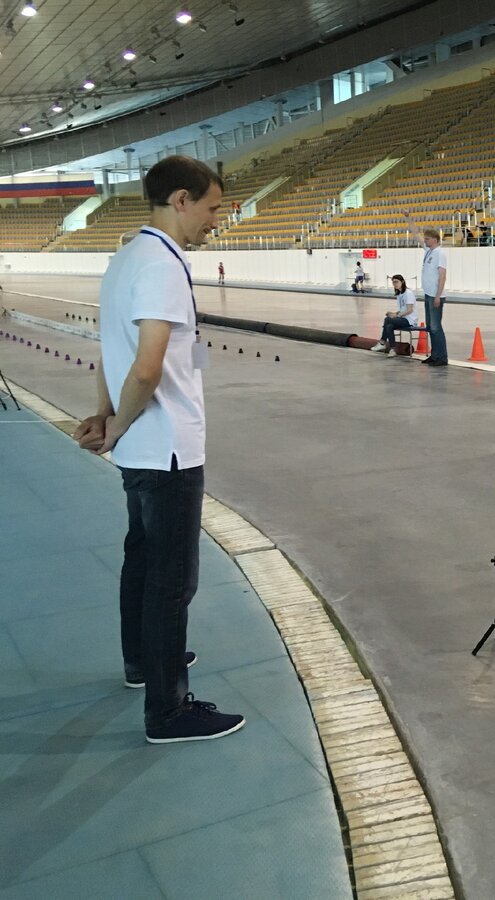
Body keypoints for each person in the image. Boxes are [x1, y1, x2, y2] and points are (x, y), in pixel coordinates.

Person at [72, 155, 245, 744]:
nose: (215, 220)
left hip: (140, 450)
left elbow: (108, 351)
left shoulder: (125, 258)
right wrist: (116, 426)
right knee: (173, 581)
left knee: (142, 561)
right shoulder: (164, 267)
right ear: (180, 200)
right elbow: (144, 369)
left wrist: (101, 416)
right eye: (212, 207)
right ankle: (168, 711)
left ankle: (143, 665)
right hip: (166, 448)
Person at [370, 275, 420, 357]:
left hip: (410, 320)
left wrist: (396, 315)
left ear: (402, 282)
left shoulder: (408, 293)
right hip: (402, 318)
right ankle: (393, 350)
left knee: (387, 319)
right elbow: (402, 309)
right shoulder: (400, 294)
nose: (395, 284)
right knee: (389, 326)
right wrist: (394, 313)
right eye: (393, 282)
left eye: (396, 282)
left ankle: (382, 342)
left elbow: (409, 310)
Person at [419, 229, 449, 366]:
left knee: (436, 327)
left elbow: (442, 276)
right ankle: (435, 354)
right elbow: (415, 235)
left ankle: (442, 357)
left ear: (435, 239)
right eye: (425, 239)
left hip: (435, 295)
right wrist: (408, 219)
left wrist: (438, 295)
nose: (425, 241)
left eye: (428, 239)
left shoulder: (440, 253)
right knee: (430, 327)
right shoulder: (429, 251)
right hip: (428, 293)